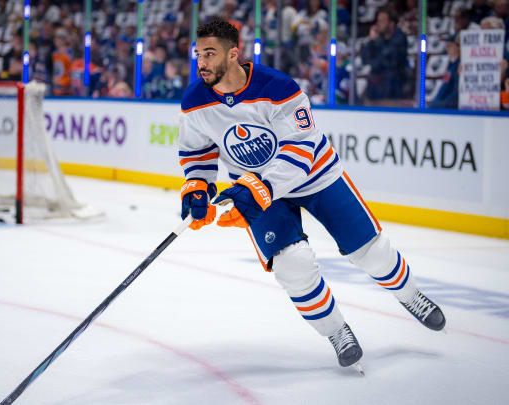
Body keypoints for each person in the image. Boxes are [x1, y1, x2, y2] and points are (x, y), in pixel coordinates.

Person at [178, 20, 446, 372]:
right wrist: (196, 187)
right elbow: (197, 154)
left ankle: (411, 296)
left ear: (233, 53)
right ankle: (337, 332)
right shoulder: (195, 101)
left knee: (371, 252)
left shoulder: (277, 87)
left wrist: (259, 188)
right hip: (260, 192)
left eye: (210, 54)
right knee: (293, 267)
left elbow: (301, 150)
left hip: (315, 176)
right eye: (199, 54)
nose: (202, 62)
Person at [359, 8, 409, 104]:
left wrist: (377, 41)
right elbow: (365, 59)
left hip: (394, 86)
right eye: (378, 21)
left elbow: (388, 61)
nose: (378, 24)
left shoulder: (399, 38)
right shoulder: (378, 38)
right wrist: (371, 41)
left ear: (391, 24)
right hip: (377, 85)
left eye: (382, 21)